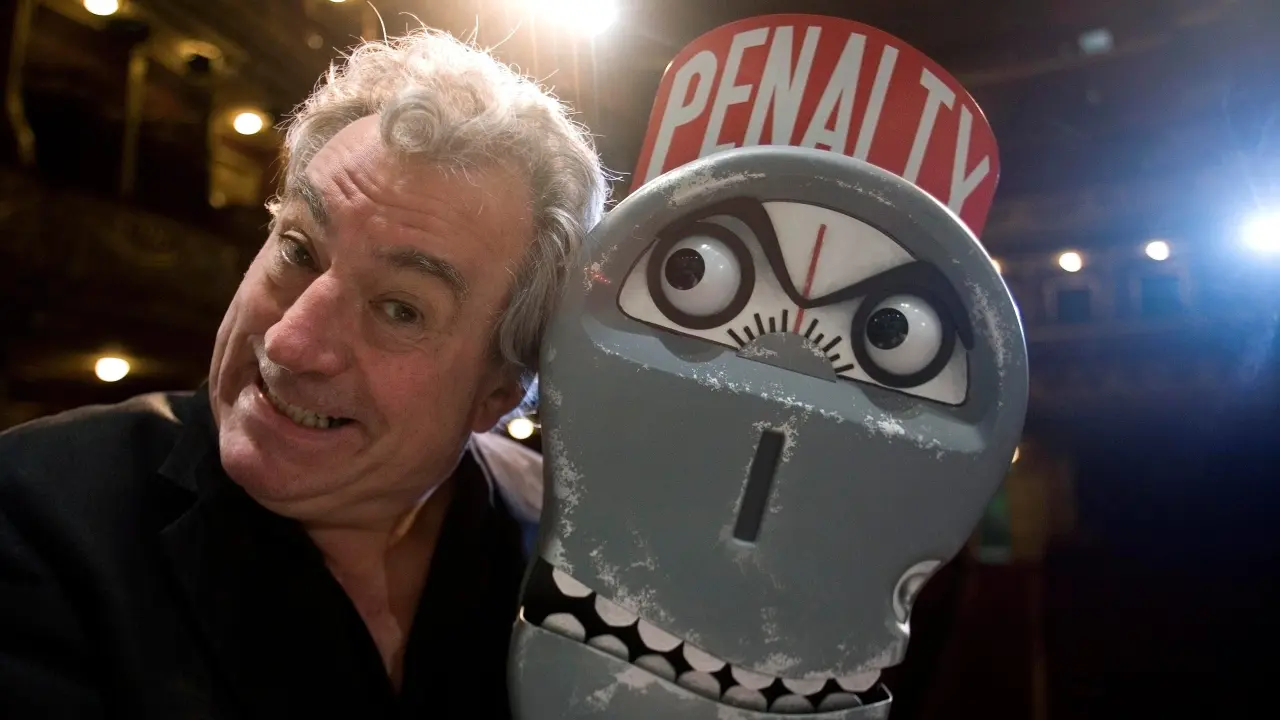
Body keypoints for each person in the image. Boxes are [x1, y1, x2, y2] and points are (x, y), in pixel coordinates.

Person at [0, 28, 606, 718]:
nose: (289, 343)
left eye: (401, 309)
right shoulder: (34, 513)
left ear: (499, 391)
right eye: (298, 250)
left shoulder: (576, 546)